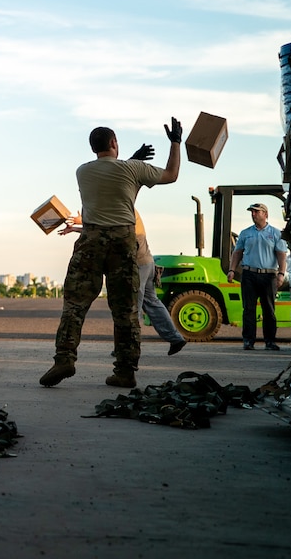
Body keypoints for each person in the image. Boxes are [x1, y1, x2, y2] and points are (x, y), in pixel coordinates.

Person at [40, 120, 182, 389]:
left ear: (93, 148)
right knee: (126, 310)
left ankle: (64, 360)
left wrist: (130, 160)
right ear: (115, 143)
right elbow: (171, 174)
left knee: (74, 305)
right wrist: (175, 142)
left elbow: (113, 172)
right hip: (122, 242)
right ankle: (125, 371)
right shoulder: (133, 169)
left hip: (91, 241)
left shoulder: (82, 171)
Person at [59, 208, 186, 356]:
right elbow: (106, 232)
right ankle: (175, 338)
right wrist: (76, 228)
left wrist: (83, 222)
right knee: (152, 302)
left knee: (131, 308)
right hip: (147, 262)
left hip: (137, 264)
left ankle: (126, 349)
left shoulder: (123, 208)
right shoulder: (121, 207)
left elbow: (108, 231)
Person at [228, 202, 288, 351]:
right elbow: (237, 253)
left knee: (268, 309)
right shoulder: (245, 233)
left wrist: (281, 274)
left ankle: (270, 341)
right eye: (252, 212)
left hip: (268, 276)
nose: (253, 214)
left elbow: (281, 255)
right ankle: (248, 341)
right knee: (248, 309)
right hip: (249, 274)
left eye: (256, 212)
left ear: (265, 214)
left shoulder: (275, 233)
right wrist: (232, 270)